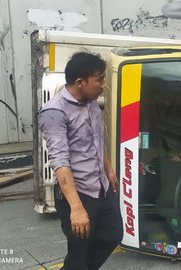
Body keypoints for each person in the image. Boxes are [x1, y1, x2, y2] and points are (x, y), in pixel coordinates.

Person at [38, 52, 122, 270]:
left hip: (102, 187)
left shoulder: (91, 101)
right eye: (100, 79)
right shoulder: (55, 112)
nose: (103, 85)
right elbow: (60, 162)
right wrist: (76, 208)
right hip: (79, 193)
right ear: (80, 82)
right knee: (79, 250)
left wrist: (109, 170)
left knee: (113, 235)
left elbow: (96, 138)